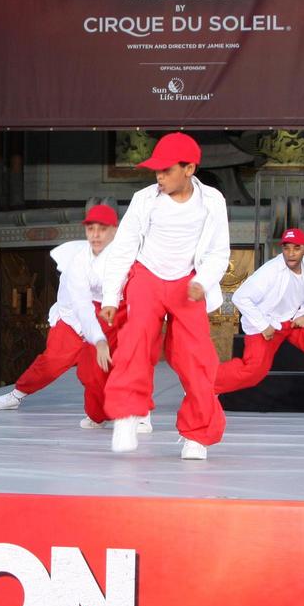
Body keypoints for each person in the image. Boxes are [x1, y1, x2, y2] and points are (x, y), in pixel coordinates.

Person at [100, 133, 230, 459]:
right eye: (155, 171)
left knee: (195, 357)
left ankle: (197, 435)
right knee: (135, 341)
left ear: (189, 168)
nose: (159, 177)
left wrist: (204, 280)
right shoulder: (145, 199)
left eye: (166, 170)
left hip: (188, 283)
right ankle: (129, 414)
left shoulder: (212, 201)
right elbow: (124, 248)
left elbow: (218, 252)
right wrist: (111, 298)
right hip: (147, 276)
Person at [0, 204, 143, 429]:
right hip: (74, 318)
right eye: (92, 229)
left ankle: (128, 414)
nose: (97, 234)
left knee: (115, 366)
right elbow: (71, 300)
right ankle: (17, 394)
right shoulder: (77, 260)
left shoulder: (128, 257)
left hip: (111, 317)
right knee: (52, 361)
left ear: (114, 230)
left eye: (103, 228)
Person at [215, 228, 304, 417]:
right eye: (287, 248)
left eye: (296, 248)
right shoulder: (270, 270)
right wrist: (263, 326)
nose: (291, 253)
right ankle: (204, 386)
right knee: (254, 370)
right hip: (269, 322)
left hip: (297, 321)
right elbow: (241, 297)